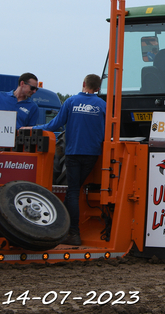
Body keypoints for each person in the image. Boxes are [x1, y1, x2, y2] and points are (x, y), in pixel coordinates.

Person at [24, 74, 106, 246]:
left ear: (83, 84)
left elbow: (53, 125)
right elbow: (109, 131)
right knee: (74, 190)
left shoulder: (71, 102)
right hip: (92, 155)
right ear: (98, 88)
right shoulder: (102, 105)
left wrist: (32, 128)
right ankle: (67, 228)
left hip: (73, 152)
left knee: (73, 191)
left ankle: (72, 232)